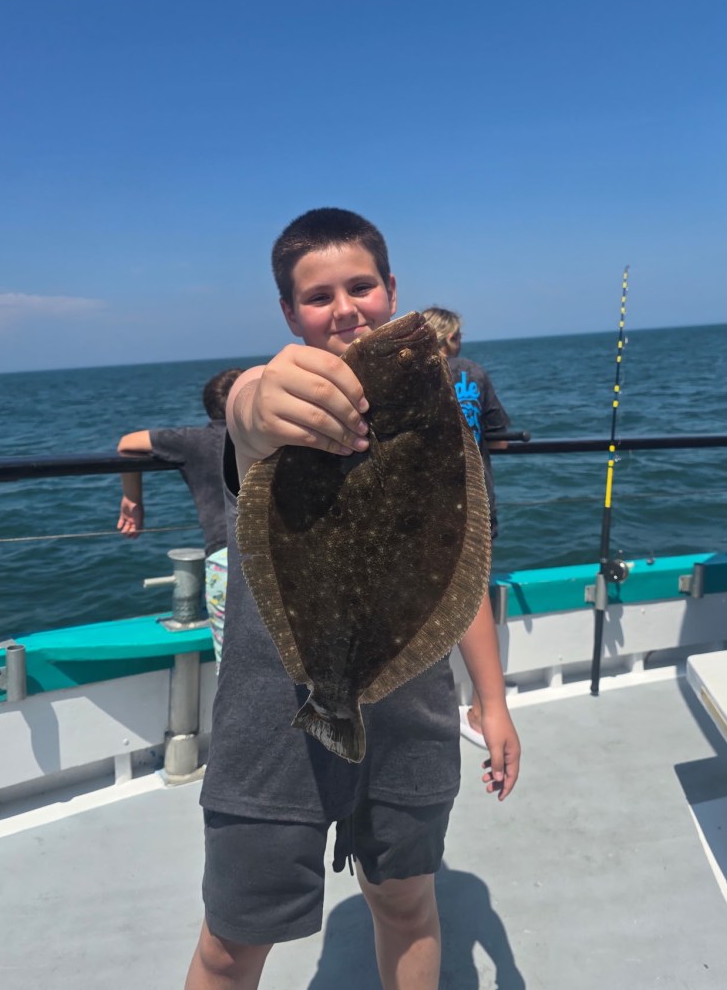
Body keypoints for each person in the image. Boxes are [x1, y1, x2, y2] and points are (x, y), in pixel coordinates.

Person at [185, 208, 521, 990]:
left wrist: (493, 700)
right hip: (271, 726)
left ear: (390, 289)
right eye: (318, 297)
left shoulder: (442, 422)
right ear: (289, 314)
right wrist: (256, 397)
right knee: (229, 948)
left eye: (362, 287)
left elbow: (453, 567)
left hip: (412, 718)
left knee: (408, 908)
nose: (345, 309)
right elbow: (249, 409)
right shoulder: (273, 416)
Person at [421, 307, 511, 751]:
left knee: (425, 603)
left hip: (423, 511)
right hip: (476, 507)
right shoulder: (473, 374)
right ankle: (480, 705)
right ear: (452, 337)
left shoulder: (409, 376)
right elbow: (499, 436)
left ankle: (428, 701)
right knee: (474, 595)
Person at [116, 367, 243, 663]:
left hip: (223, 560)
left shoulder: (192, 440)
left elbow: (126, 444)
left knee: (230, 663)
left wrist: (132, 499)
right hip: (280, 556)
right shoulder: (279, 438)